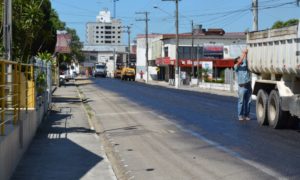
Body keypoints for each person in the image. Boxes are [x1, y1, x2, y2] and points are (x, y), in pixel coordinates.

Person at [234, 49, 252, 121]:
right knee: (241, 102)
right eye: (238, 59)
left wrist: (246, 54)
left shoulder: (245, 64)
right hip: (241, 87)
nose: (240, 59)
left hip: (248, 86)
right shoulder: (236, 66)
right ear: (237, 61)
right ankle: (240, 115)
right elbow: (241, 60)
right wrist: (244, 53)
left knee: (248, 102)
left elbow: (245, 60)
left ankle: (246, 115)